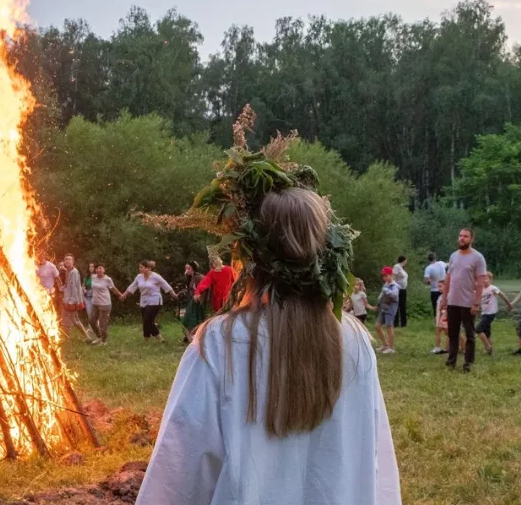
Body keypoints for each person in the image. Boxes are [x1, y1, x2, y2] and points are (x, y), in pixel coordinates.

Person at [136, 188, 400, 505]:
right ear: (326, 251)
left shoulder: (221, 344)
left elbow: (178, 477)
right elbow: (376, 465)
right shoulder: (354, 338)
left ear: (248, 258)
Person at [440, 228, 488, 373]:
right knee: (452, 333)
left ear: (471, 239)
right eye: (460, 236)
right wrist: (444, 298)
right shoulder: (454, 256)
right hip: (453, 301)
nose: (462, 238)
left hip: (468, 302)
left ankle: (468, 363)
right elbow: (448, 279)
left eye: (465, 236)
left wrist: (476, 303)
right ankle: (451, 361)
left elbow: (480, 282)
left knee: (469, 334)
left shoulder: (478, 258)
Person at [120, 260, 178, 342]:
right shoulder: (139, 277)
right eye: (139, 267)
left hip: (155, 300)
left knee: (148, 319)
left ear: (148, 268)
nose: (140, 269)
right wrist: (124, 295)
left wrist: (174, 295)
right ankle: (146, 339)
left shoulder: (156, 276)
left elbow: (165, 285)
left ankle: (160, 339)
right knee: (146, 320)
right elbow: (132, 287)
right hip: (144, 300)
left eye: (141, 267)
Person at [476, 272, 512, 356]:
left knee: (478, 329)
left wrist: (509, 304)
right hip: (484, 313)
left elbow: (502, 295)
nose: (484, 281)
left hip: (491, 313)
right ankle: (491, 352)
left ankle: (487, 347)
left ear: (490, 280)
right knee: (486, 332)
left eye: (486, 279)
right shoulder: (481, 289)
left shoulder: (493, 288)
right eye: (482, 279)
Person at [60, 254, 93, 341]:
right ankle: (67, 337)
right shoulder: (68, 271)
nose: (67, 261)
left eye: (69, 259)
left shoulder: (74, 272)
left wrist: (72, 301)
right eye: (65, 259)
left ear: (73, 261)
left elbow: (75, 288)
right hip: (68, 299)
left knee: (74, 319)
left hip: (73, 300)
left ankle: (86, 337)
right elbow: (68, 285)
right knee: (69, 318)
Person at [87, 263, 121, 346]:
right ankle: (99, 337)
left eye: (100, 268)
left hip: (105, 304)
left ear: (104, 270)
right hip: (95, 303)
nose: (98, 270)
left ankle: (104, 341)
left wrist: (120, 295)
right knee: (92, 321)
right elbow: (87, 285)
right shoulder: (93, 277)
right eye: (97, 268)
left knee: (102, 324)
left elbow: (113, 289)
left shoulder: (107, 279)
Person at [179, 261, 207, 341]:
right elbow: (189, 290)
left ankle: (193, 338)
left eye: (189, 268)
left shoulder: (198, 277)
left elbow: (204, 287)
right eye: (186, 268)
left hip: (196, 302)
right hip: (191, 301)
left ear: (193, 268)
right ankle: (190, 337)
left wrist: (200, 297)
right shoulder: (190, 278)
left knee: (190, 320)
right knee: (187, 319)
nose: (187, 270)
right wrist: (181, 293)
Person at [375, 267, 400, 354]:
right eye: (383, 276)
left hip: (390, 309)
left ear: (391, 275)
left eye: (386, 275)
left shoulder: (394, 286)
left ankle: (391, 348)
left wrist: (386, 290)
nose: (384, 277)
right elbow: (382, 296)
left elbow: (395, 295)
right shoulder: (386, 284)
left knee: (389, 327)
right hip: (383, 308)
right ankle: (385, 344)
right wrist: (378, 304)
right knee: (377, 326)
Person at [431, 280, 449, 354]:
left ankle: (448, 348)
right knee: (439, 331)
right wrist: (436, 316)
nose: (439, 288)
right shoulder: (440, 297)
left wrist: (445, 317)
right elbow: (437, 308)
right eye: (438, 286)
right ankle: (438, 347)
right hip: (440, 317)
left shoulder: (448, 296)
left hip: (445, 318)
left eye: (441, 286)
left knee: (448, 333)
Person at [392, 256, 409, 327]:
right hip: (398, 289)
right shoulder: (397, 266)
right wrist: (394, 286)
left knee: (403, 306)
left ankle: (403, 323)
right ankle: (395, 323)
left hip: (403, 289)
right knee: (396, 306)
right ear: (404, 260)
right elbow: (394, 276)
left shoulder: (403, 269)